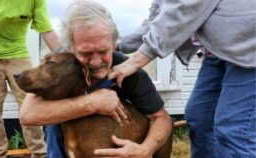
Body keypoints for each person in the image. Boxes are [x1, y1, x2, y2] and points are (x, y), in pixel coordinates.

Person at [19, 0, 172, 158]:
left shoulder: (130, 70)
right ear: (70, 49)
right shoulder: (61, 63)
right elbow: (28, 114)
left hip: (116, 138)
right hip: (69, 140)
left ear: (113, 44)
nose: (96, 62)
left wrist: (144, 150)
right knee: (53, 117)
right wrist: (93, 103)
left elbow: (162, 118)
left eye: (103, 51)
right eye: (86, 53)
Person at [108, 0, 256, 157]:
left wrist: (138, 59)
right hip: (219, 53)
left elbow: (185, 6)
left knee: (235, 129)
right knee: (200, 119)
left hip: (248, 48)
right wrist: (114, 46)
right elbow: (157, 20)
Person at [0, 0, 60, 157]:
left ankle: (41, 154)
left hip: (19, 55)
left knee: (32, 104)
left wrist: (69, 56)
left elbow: (46, 31)